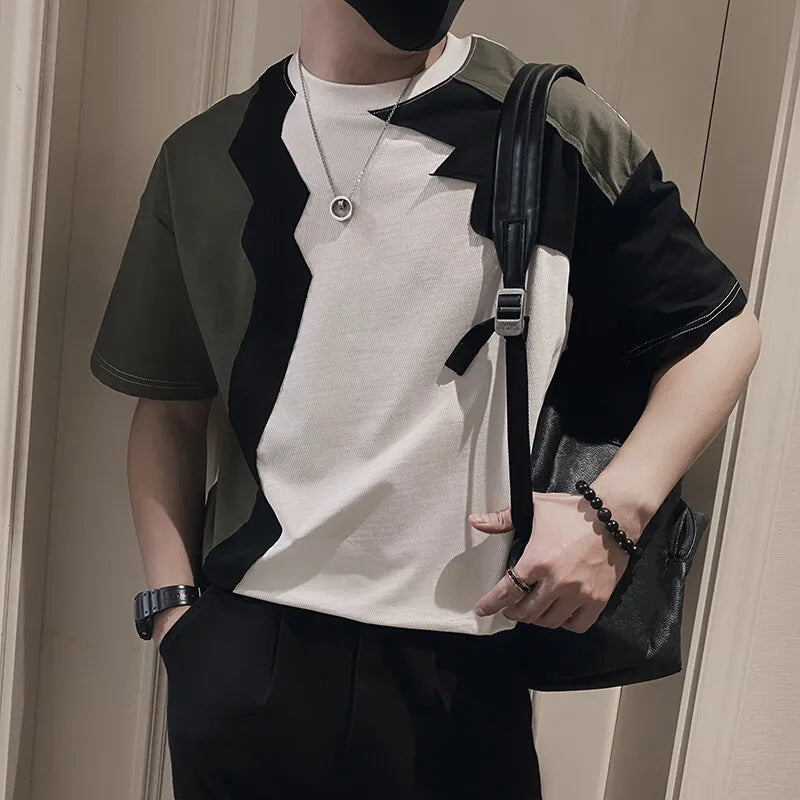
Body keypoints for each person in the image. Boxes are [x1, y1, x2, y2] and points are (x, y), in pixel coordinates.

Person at [89, 1, 761, 797]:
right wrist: (175, 618)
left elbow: (719, 332)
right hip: (247, 647)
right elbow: (170, 408)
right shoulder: (206, 155)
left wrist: (613, 515)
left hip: (463, 660)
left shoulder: (548, 124)